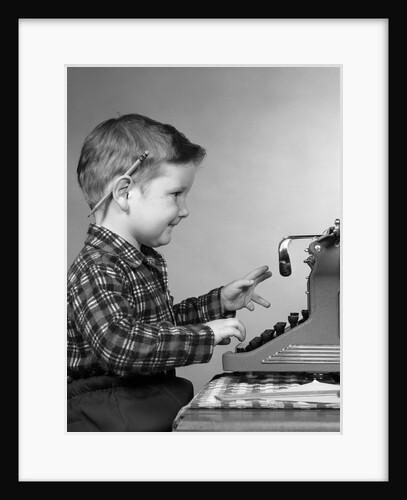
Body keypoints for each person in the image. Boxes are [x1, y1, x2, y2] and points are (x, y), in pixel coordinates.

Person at [67, 113, 272, 432]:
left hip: (145, 398)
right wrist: (206, 334)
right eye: (176, 194)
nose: (185, 209)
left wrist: (218, 303)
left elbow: (156, 328)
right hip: (106, 410)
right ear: (124, 193)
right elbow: (121, 346)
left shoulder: (142, 259)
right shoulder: (95, 265)